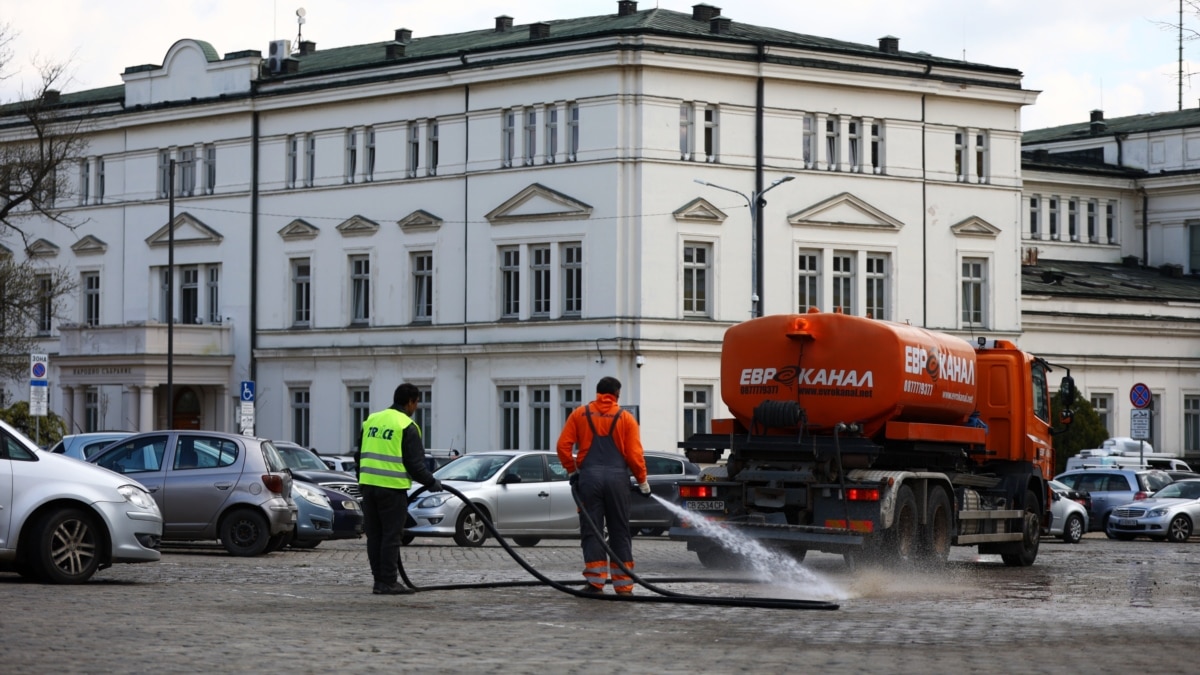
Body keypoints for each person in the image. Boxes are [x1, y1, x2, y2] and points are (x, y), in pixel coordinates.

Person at [556, 376, 649, 595]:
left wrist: (572, 470)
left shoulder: (579, 414)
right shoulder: (626, 418)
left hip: (589, 480)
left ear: (597, 393)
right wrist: (643, 481)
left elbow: (562, 446)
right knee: (620, 531)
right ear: (617, 395)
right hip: (618, 480)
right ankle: (623, 585)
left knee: (592, 530)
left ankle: (595, 583)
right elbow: (635, 455)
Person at [357, 383, 442, 595]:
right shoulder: (406, 426)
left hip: (368, 487)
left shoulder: (372, 420)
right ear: (411, 402)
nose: (416, 408)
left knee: (375, 536)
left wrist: (363, 479)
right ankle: (388, 581)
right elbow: (415, 464)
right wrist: (431, 482)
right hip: (392, 490)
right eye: (416, 403)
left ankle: (379, 580)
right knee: (391, 537)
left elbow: (358, 456)